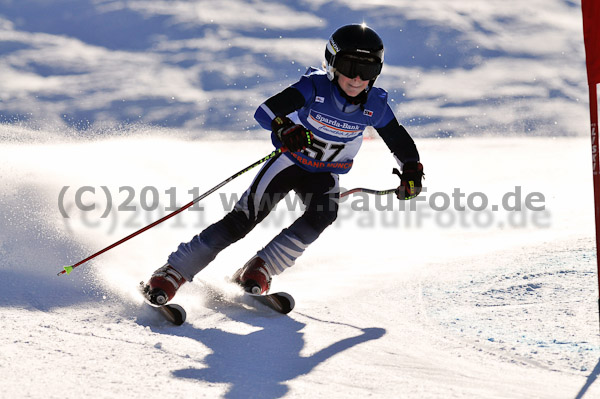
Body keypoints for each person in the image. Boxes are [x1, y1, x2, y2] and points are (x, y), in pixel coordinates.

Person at [143, 23, 424, 305]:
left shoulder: (375, 104)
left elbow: (398, 140)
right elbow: (265, 111)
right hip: (288, 165)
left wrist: (411, 170)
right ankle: (173, 272)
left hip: (325, 174)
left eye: (368, 70)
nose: (357, 78)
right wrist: (284, 128)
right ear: (332, 64)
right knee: (242, 221)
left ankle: (260, 268)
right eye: (350, 67)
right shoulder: (315, 86)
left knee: (323, 215)